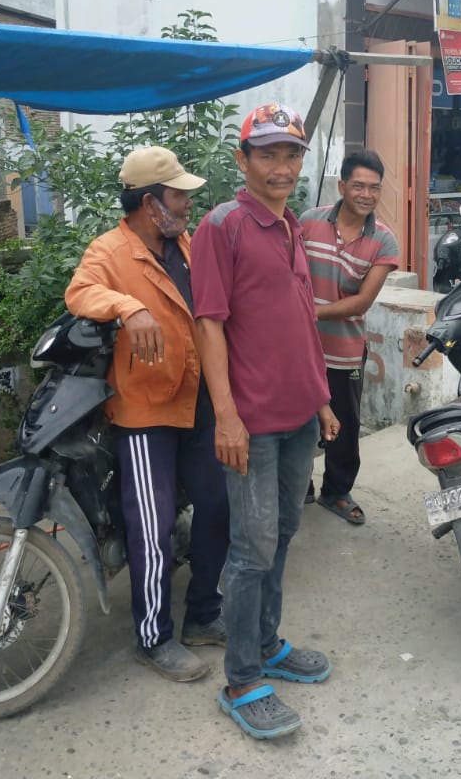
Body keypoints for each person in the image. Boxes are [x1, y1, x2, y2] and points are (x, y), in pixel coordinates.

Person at [190, 103, 340, 740]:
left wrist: (323, 398)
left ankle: (269, 643)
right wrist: (225, 415)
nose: (282, 166)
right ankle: (243, 678)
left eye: (292, 154)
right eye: (269, 154)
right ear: (243, 160)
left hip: (299, 415)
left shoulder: (290, 227)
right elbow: (210, 324)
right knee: (250, 550)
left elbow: (299, 322)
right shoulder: (222, 226)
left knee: (280, 534)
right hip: (248, 421)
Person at [64, 146, 230, 682]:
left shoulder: (183, 243)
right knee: (152, 526)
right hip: (145, 411)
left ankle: (202, 614)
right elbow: (80, 292)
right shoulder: (109, 251)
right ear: (147, 202)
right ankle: (152, 636)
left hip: (196, 400)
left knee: (216, 506)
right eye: (178, 193)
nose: (186, 202)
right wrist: (127, 306)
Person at [299, 149, 399, 525]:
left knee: (345, 424)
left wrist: (308, 311)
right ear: (342, 186)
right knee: (297, 420)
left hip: (345, 350)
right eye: (358, 185)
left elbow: (361, 302)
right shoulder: (308, 223)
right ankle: (300, 487)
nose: (366, 194)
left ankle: (336, 491)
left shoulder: (384, 241)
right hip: (298, 348)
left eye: (374, 188)